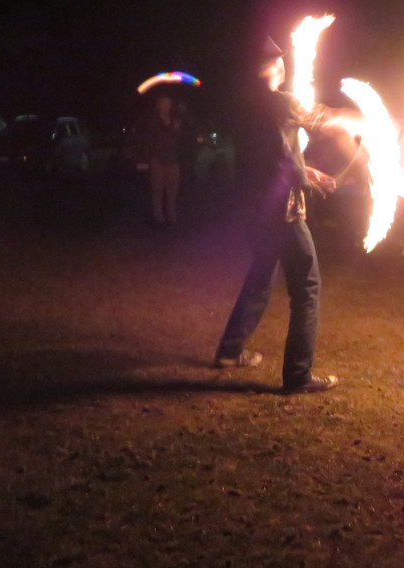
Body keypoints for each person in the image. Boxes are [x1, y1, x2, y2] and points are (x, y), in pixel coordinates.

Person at [213, 36, 353, 393]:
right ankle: (298, 375)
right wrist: (352, 121)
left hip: (250, 206)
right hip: (279, 210)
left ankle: (230, 351)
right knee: (307, 285)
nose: (284, 65)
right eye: (278, 60)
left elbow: (277, 154)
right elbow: (310, 132)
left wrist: (309, 173)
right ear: (273, 66)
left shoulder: (244, 106)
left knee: (261, 274)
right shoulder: (283, 103)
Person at [140, 93, 183, 227]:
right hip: (158, 159)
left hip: (172, 159)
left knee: (172, 191)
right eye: (164, 103)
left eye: (169, 104)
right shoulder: (153, 119)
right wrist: (171, 128)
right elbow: (156, 133)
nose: (167, 106)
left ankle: (172, 218)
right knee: (157, 190)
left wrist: (174, 129)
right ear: (158, 105)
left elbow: (178, 136)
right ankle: (159, 218)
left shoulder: (175, 119)